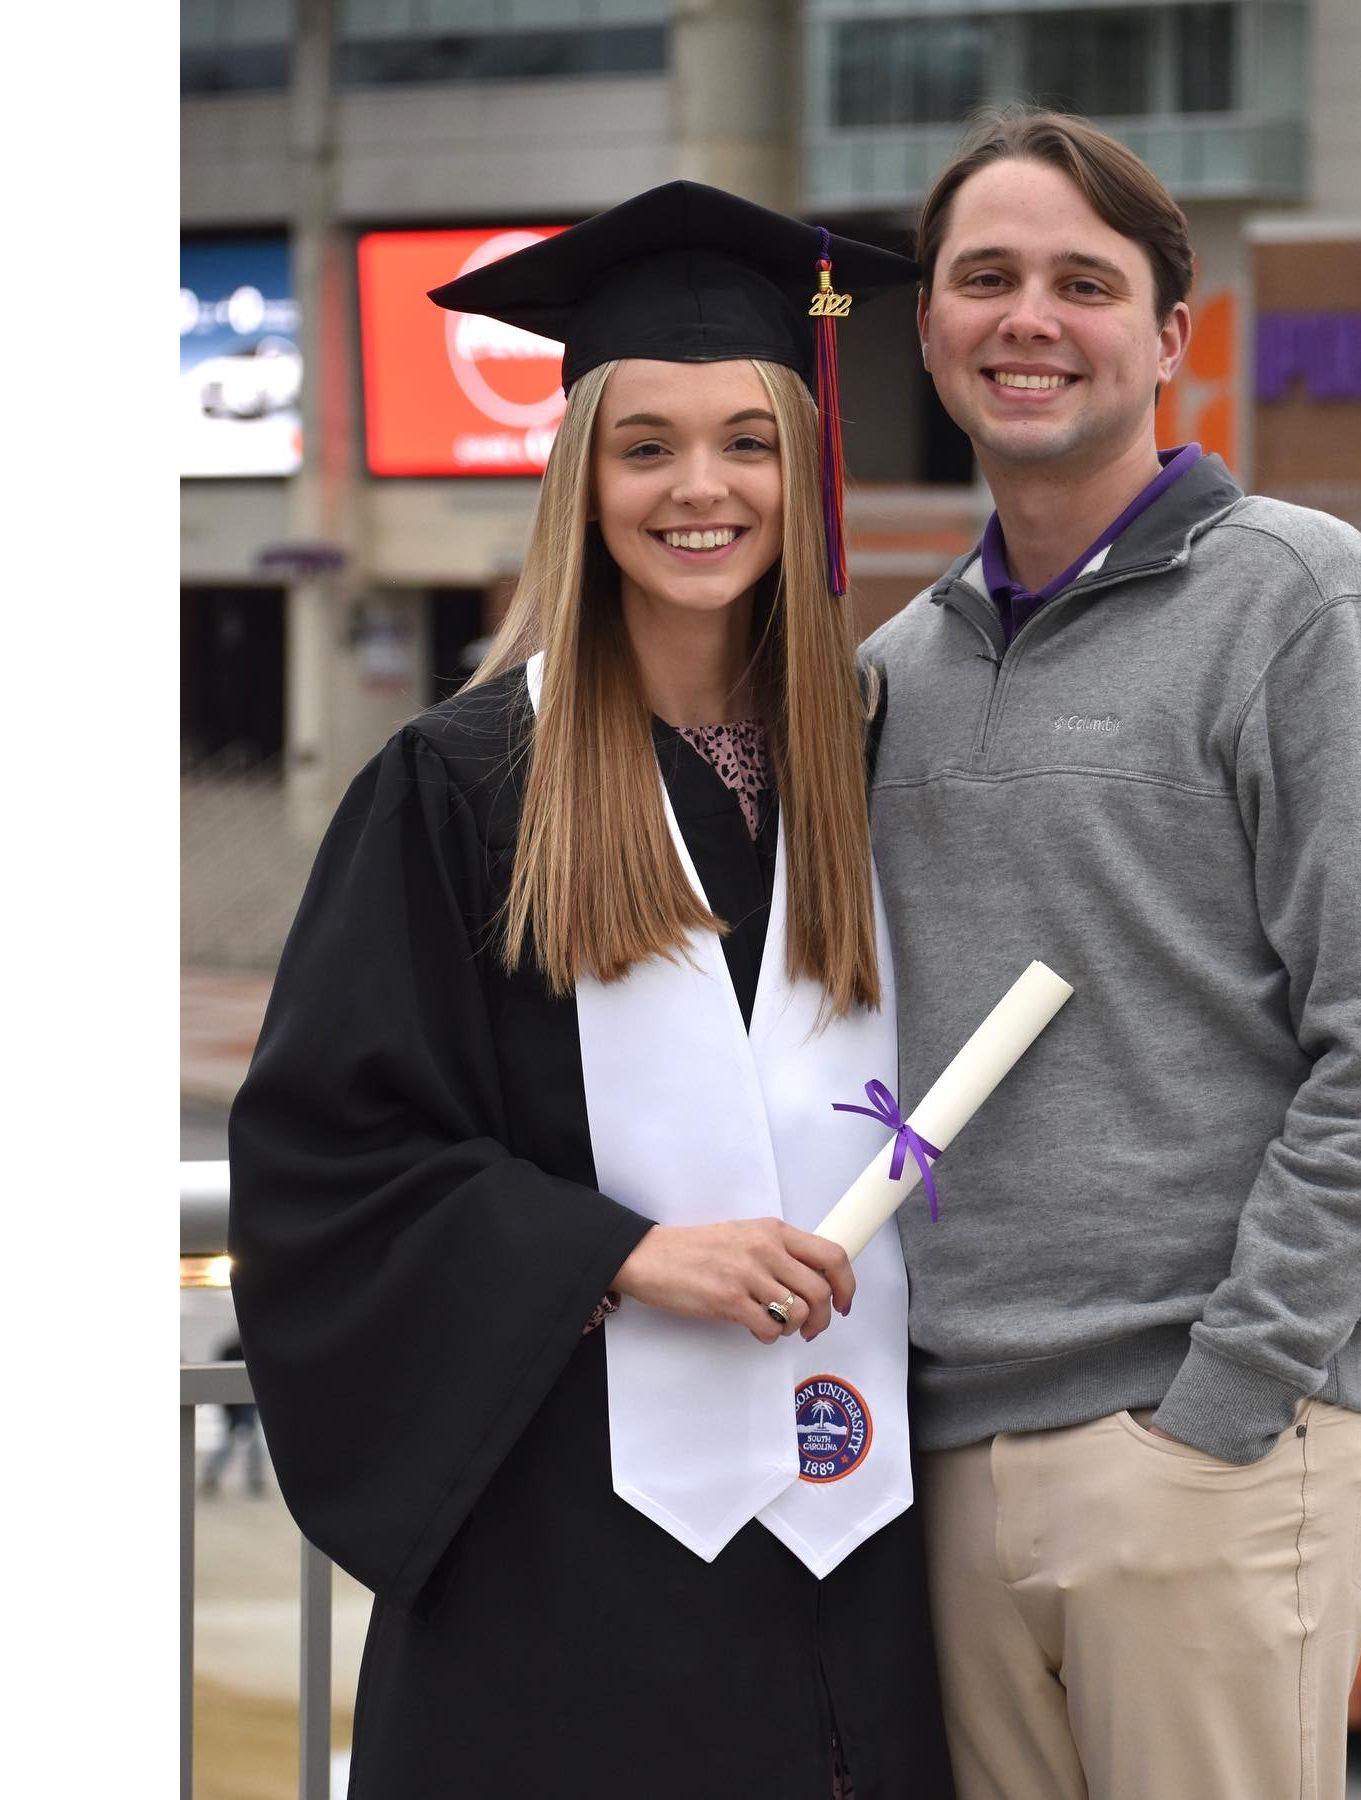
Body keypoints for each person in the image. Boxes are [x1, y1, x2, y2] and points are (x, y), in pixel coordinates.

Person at [228, 182, 954, 1800]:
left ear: (801, 463)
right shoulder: (466, 786)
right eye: (647, 447)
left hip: (866, 1558)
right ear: (581, 481)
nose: (702, 489)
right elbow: (324, 1166)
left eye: (748, 442)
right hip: (572, 1558)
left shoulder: (887, 761)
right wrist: (618, 1252)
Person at [861, 107, 1361, 1800]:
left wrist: (1219, 1408)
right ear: (930, 329)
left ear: (1169, 335)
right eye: (985, 279)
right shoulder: (895, 672)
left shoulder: (1302, 604)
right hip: (945, 1458)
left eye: (1082, 280)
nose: (1028, 318)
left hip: (1202, 1447)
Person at [197, 1336, 265, 1497]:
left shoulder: (230, 1349)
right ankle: (253, 1479)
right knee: (241, 1443)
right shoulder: (246, 1349)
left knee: (232, 1443)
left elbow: (219, 1380)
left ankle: (212, 1475)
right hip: (241, 1405)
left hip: (238, 1405)